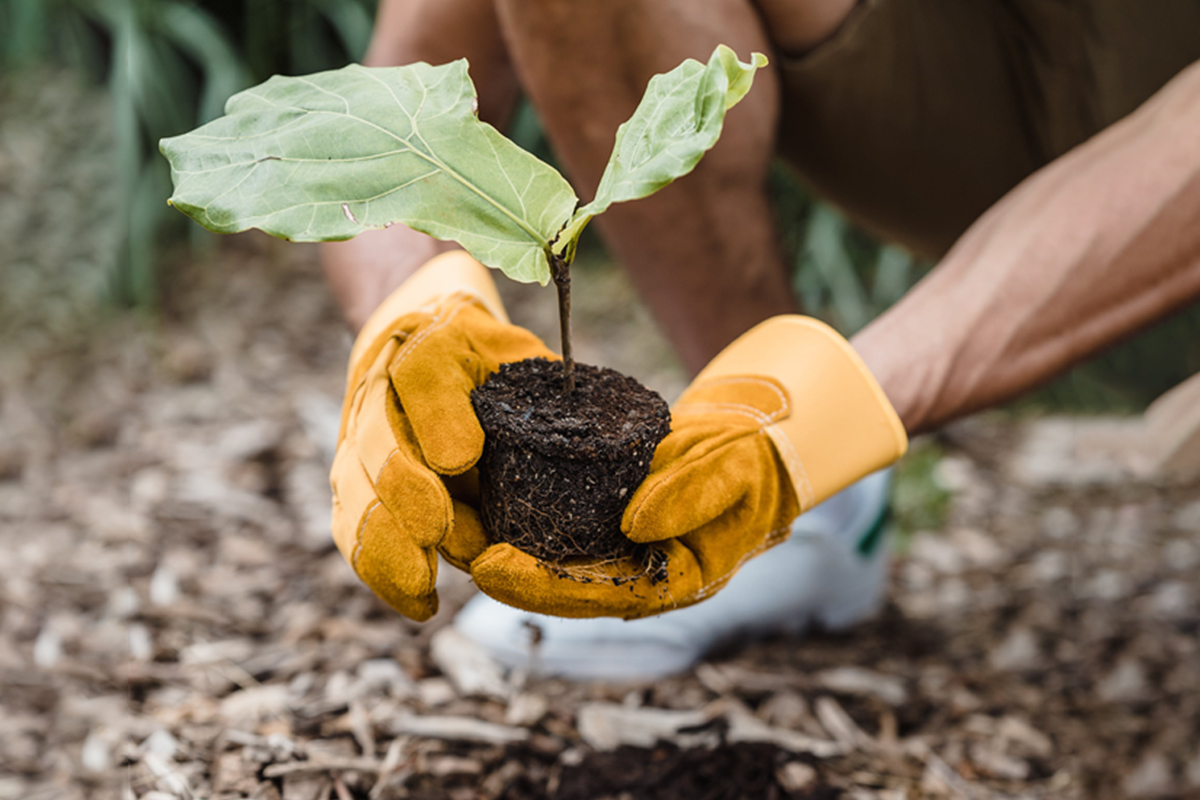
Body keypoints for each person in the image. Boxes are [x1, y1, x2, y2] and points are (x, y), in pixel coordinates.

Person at [323, 0, 1200, 680]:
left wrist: (826, 409)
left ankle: (797, 490)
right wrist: (411, 307)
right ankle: (789, 523)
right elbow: (399, 93)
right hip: (969, 106)